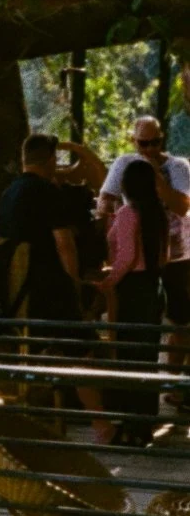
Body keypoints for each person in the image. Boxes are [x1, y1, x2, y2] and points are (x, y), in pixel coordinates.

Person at [0, 132, 108, 438]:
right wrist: (75, 284)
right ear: (49, 161)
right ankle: (103, 424)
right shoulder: (47, 192)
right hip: (48, 291)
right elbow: (65, 245)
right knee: (83, 346)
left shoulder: (8, 194)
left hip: (15, 293)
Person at [97, 115, 189, 392]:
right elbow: (106, 199)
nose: (149, 149)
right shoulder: (124, 164)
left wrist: (157, 179)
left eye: (155, 142)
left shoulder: (178, 166)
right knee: (137, 326)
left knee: (181, 318)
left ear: (163, 139)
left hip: (177, 253)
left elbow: (183, 207)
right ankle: (134, 386)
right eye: (143, 143)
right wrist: (113, 236)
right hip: (138, 258)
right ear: (133, 141)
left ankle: (171, 383)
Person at [97, 156, 168, 447]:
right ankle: (145, 421)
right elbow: (163, 255)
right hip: (153, 286)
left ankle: (130, 422)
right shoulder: (157, 213)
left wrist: (109, 281)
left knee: (129, 354)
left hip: (132, 288)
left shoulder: (128, 213)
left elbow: (125, 255)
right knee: (147, 355)